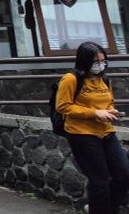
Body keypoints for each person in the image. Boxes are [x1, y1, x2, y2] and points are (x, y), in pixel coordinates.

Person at [56, 41, 129, 213]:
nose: (100, 65)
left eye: (103, 61)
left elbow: (108, 102)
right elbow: (63, 106)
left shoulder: (104, 79)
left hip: (106, 133)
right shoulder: (71, 79)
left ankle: (110, 208)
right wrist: (95, 113)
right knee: (100, 181)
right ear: (84, 61)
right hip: (82, 135)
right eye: (95, 62)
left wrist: (111, 111)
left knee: (124, 175)